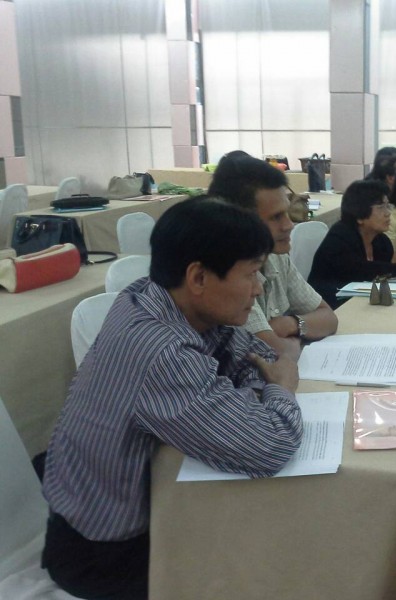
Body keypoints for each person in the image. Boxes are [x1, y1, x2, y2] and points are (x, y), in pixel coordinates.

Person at [41, 197, 304, 600]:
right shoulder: (160, 350)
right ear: (198, 277)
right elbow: (271, 445)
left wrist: (255, 390)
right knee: (269, 569)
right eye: (252, 274)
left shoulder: (158, 296)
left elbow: (255, 358)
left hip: (143, 513)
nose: (259, 288)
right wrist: (281, 389)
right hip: (103, 553)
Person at [209, 151, 338, 360]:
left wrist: (291, 324)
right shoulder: (226, 269)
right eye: (276, 217)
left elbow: (329, 318)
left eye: (287, 213)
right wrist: (292, 338)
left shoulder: (275, 256)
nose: (289, 225)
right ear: (239, 220)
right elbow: (274, 350)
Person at [308, 180, 396, 308]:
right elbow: (360, 271)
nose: (388, 213)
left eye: (388, 206)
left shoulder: (382, 243)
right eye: (381, 207)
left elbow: (380, 276)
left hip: (363, 304)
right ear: (359, 215)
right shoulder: (339, 238)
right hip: (328, 305)